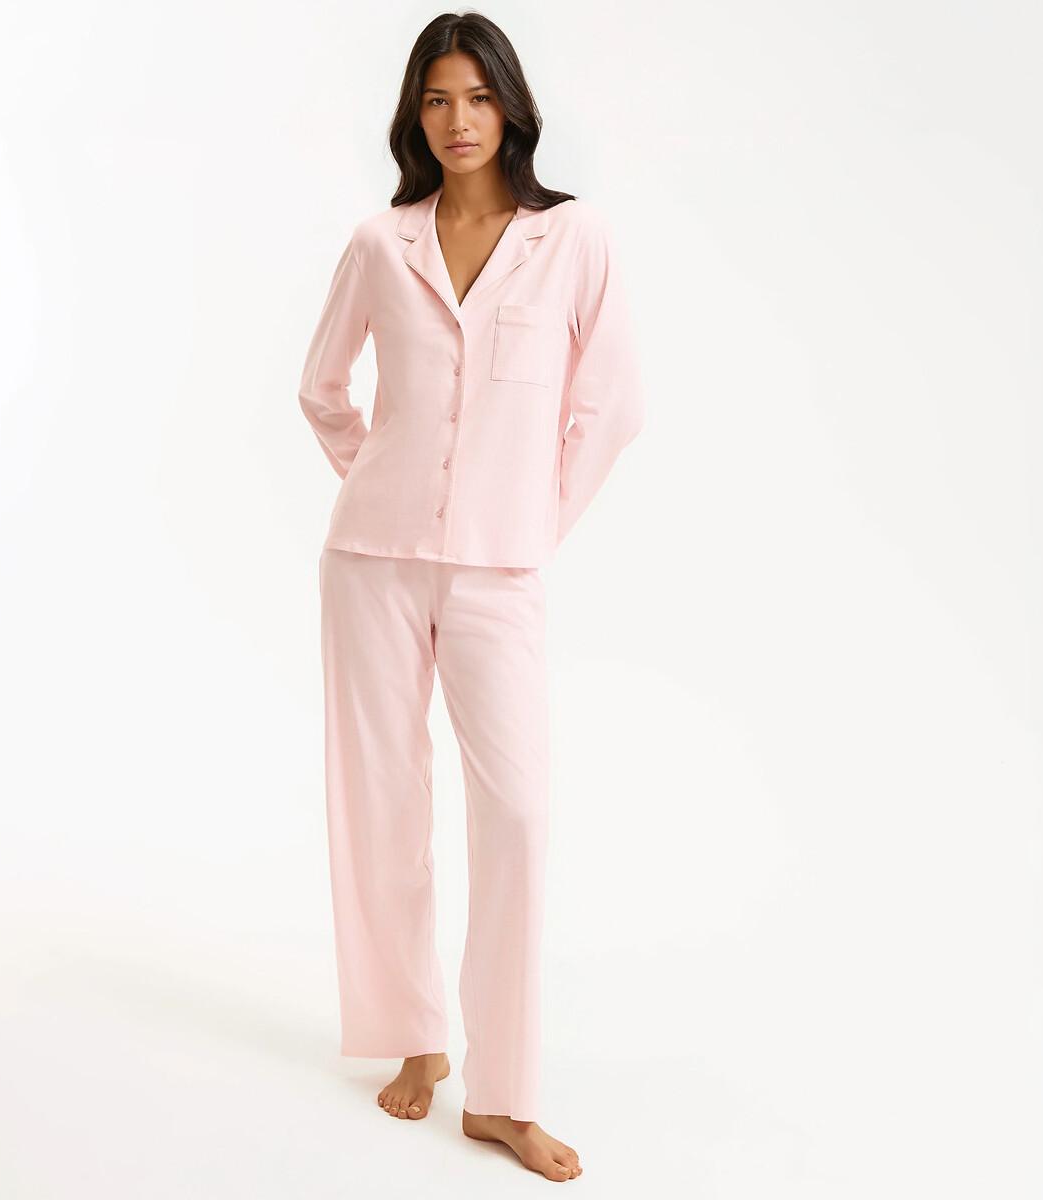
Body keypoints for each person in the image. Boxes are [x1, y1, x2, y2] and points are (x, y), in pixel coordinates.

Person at [298, 11, 643, 1183]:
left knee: (518, 814)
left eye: (478, 98)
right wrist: (380, 484)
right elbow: (323, 387)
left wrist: (529, 522)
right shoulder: (378, 242)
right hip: (372, 560)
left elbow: (613, 401)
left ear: (512, 108)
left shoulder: (571, 237)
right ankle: (416, 1038)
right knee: (382, 802)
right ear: (415, 114)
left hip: (501, 567)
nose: (458, 120)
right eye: (438, 100)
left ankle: (504, 1096)